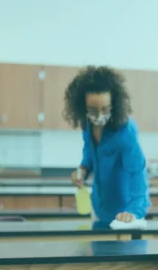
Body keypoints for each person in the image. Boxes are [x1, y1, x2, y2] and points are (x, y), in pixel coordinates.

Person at [64, 66, 150, 225]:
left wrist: (133, 212)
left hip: (125, 215)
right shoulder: (87, 125)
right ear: (83, 107)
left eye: (105, 109)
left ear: (114, 105)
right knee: (98, 249)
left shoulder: (126, 133)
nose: (98, 115)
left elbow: (138, 174)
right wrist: (82, 170)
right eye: (92, 110)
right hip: (99, 208)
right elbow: (89, 155)